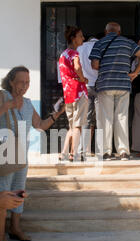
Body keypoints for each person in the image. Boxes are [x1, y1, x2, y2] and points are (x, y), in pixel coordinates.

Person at [0, 66, 65, 241]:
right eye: (21, 82)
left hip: (20, 155)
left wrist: (56, 114)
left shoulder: (27, 103)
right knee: (0, 192)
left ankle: (15, 227)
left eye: (27, 82)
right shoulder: (1, 96)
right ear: (11, 81)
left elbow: (40, 126)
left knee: (19, 190)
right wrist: (6, 106)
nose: (24, 86)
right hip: (1, 155)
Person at [89, 22, 140, 161]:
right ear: (119, 32)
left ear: (106, 32)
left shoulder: (99, 43)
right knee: (122, 117)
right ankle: (123, 152)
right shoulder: (128, 43)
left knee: (106, 119)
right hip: (123, 84)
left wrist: (107, 67)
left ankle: (106, 152)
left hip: (105, 85)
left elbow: (94, 64)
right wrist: (135, 72)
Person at [58, 26, 89, 162]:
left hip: (68, 94)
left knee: (71, 125)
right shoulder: (74, 54)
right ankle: (75, 154)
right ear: (73, 38)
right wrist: (82, 78)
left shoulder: (63, 54)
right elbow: (77, 67)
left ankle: (64, 153)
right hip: (78, 92)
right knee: (78, 125)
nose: (83, 38)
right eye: (80, 36)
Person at [77, 34, 100, 157]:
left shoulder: (80, 48)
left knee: (87, 118)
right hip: (99, 85)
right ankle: (100, 149)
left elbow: (77, 66)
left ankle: (85, 148)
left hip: (85, 85)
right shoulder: (100, 45)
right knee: (101, 118)